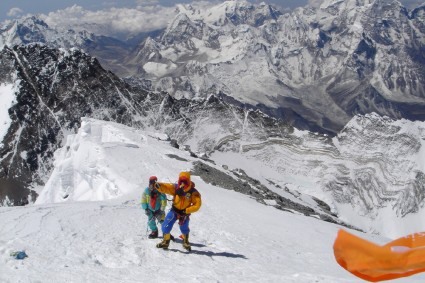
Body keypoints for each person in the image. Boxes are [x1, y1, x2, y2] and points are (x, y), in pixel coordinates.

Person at [152, 171, 202, 251]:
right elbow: (167, 187)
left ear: (188, 181)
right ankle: (166, 241)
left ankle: (185, 241)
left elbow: (197, 205)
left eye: (185, 181)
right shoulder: (176, 188)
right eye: (181, 181)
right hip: (174, 210)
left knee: (184, 227)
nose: (183, 183)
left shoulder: (193, 192)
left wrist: (187, 210)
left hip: (184, 213)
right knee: (166, 224)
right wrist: (159, 186)